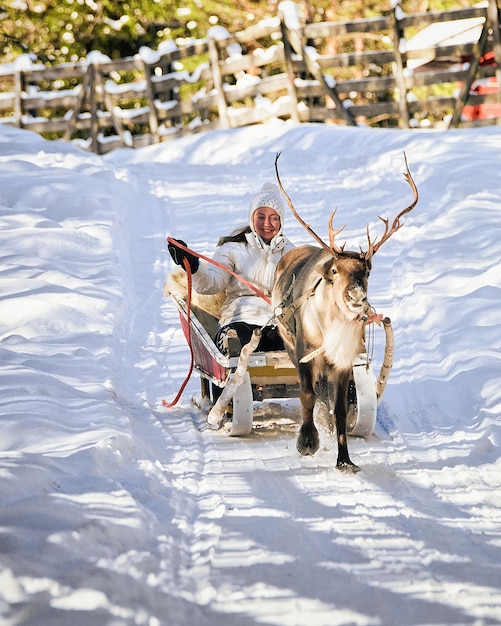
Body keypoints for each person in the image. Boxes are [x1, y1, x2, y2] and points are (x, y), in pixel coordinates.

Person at [168, 182, 295, 356]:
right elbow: (209, 285)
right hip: (239, 320)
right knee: (238, 342)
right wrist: (193, 265)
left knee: (293, 343)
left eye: (273, 217)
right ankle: (233, 364)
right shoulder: (233, 249)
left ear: (281, 221)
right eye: (261, 216)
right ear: (252, 218)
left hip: (279, 324)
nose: (267, 223)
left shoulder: (292, 254)